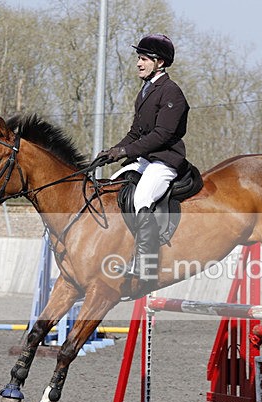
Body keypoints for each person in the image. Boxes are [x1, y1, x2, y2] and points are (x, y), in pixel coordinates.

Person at [98, 33, 190, 288]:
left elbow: (162, 135)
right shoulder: (145, 91)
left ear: (159, 63)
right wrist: (113, 151)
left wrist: (125, 152)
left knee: (142, 199)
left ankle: (146, 264)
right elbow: (136, 133)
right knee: (111, 187)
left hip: (165, 161)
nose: (139, 63)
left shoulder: (171, 92)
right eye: (139, 58)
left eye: (144, 59)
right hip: (146, 159)